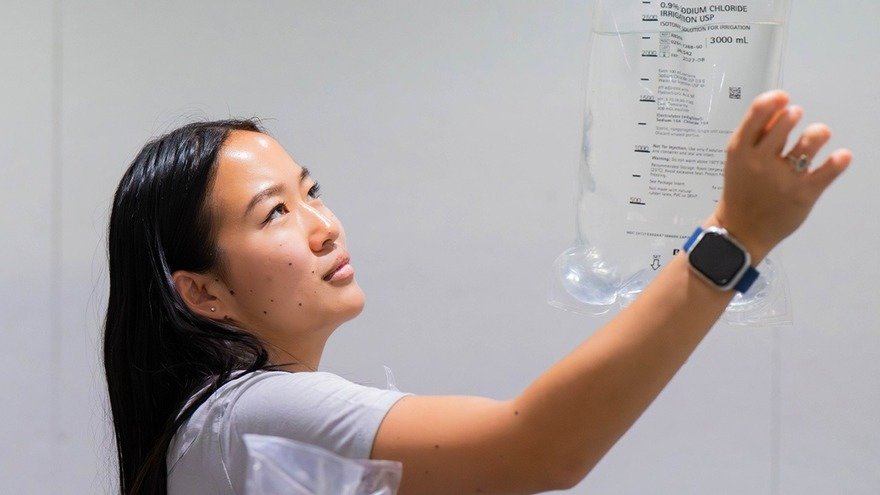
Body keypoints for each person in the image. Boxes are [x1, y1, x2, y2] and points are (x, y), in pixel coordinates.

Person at [103, 90, 851, 494]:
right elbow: (536, 447)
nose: (324, 226)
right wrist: (732, 238)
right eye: (275, 213)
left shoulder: (227, 428)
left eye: (311, 193)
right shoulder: (249, 415)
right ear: (203, 294)